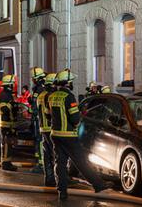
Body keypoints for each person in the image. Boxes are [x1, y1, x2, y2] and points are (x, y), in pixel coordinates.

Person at [49, 69, 110, 200]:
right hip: (68, 136)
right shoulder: (69, 96)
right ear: (68, 83)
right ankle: (99, 185)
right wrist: (78, 118)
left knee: (60, 163)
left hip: (55, 134)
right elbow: (75, 119)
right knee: (82, 162)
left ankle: (62, 191)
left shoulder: (52, 96)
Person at [37, 73, 57, 186]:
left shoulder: (40, 95)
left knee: (46, 154)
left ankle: (48, 178)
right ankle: (55, 178)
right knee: (55, 155)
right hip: (50, 128)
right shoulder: (50, 96)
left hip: (42, 128)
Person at [0, 74, 18, 171]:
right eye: (12, 84)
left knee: (9, 145)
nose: (13, 85)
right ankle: (5, 164)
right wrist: (11, 105)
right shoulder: (3, 95)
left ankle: (8, 162)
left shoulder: (9, 95)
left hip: (10, 123)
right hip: (5, 124)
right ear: (8, 85)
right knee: (6, 144)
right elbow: (3, 108)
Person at [29, 67, 46, 173]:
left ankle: (41, 164)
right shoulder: (41, 89)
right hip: (40, 120)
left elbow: (35, 108)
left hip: (39, 120)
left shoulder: (39, 90)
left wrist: (31, 107)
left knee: (40, 141)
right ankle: (39, 161)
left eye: (33, 78)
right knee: (39, 141)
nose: (32, 80)